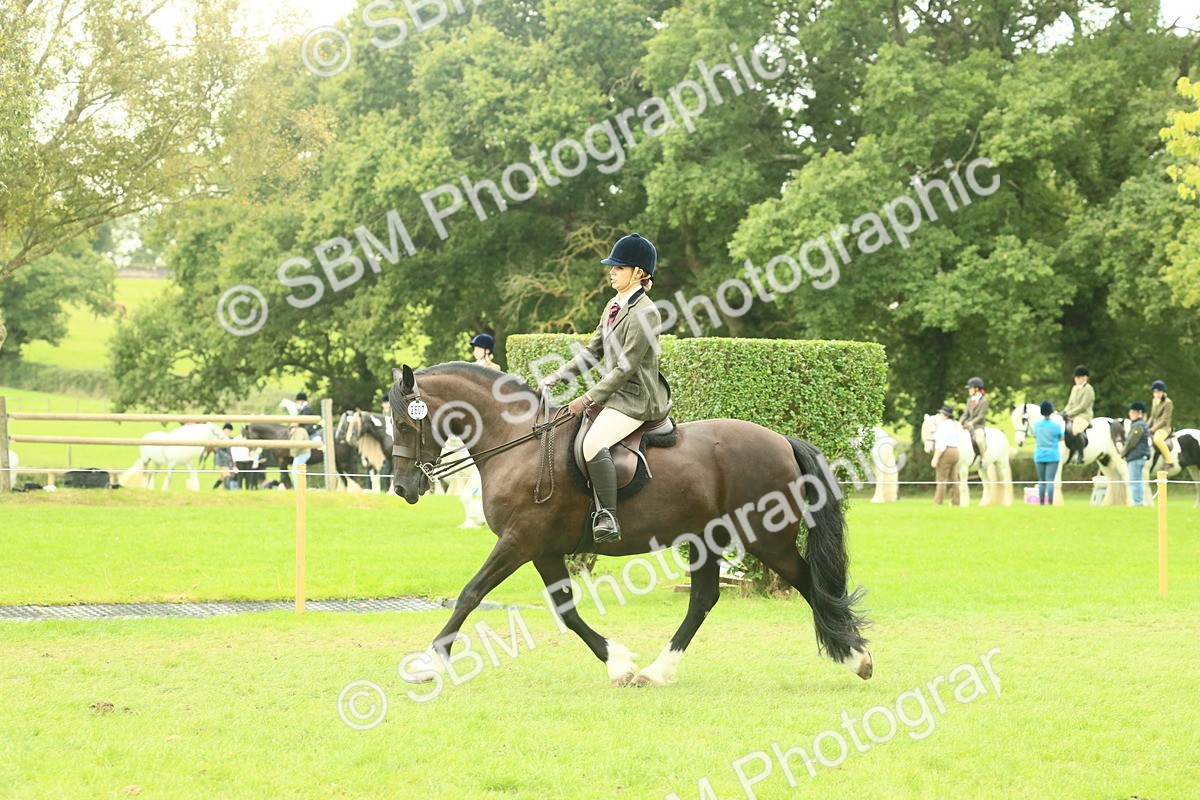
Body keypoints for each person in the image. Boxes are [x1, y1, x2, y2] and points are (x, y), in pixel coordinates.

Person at [538, 233, 671, 543]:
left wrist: (586, 399)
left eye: (619, 267)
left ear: (639, 272)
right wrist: (557, 376)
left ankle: (607, 516)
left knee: (593, 442)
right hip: (615, 395)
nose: (611, 271)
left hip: (637, 399)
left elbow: (625, 368)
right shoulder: (614, 304)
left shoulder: (646, 313)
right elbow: (592, 352)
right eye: (612, 267)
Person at [1061, 365, 1094, 465]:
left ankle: (1080, 455)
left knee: (1075, 429)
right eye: (1076, 377)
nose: (1076, 379)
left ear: (1085, 378)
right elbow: (1070, 404)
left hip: (1084, 415)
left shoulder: (1088, 389)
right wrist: (1063, 412)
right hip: (1073, 415)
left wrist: (1068, 413)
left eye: (1078, 377)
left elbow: (1082, 406)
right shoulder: (1074, 388)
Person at [1033, 401, 1063, 505]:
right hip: (1053, 456)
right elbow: (1061, 437)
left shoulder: (1036, 425)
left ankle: (1041, 502)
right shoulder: (1056, 426)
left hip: (1039, 455)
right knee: (1050, 480)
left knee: (1042, 480)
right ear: (1051, 411)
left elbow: (1036, 436)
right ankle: (1050, 502)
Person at [1123, 401, 1151, 507]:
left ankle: (1138, 502)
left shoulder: (1138, 425)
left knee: (1135, 481)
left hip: (1136, 456)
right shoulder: (1138, 424)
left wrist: (1123, 453)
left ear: (1139, 413)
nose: (1130, 414)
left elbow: (1131, 442)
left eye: (1132, 412)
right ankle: (1138, 502)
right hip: (1138, 456)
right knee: (1137, 480)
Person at [291, 391, 322, 484]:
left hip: (308, 431)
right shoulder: (303, 409)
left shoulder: (306, 409)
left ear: (300, 401)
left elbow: (303, 423)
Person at [932, 405, 961, 506]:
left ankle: (938, 502)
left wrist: (935, 458)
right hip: (955, 450)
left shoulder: (944, 426)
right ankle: (955, 501)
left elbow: (941, 444)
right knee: (954, 479)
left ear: (945, 415)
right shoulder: (953, 425)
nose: (939, 415)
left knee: (941, 478)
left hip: (947, 452)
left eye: (941, 414)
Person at [1148, 379, 1176, 469]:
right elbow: (1152, 416)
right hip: (1155, 427)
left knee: (1157, 439)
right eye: (1155, 392)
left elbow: (1164, 419)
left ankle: (1169, 461)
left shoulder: (1168, 403)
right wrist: (1145, 426)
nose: (1157, 394)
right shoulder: (1154, 401)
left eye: (1159, 392)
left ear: (1163, 392)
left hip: (1164, 428)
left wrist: (1153, 428)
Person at [959, 377, 988, 459]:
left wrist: (972, 423)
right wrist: (959, 423)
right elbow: (965, 414)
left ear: (976, 389)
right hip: (967, 424)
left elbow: (981, 415)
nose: (969, 390)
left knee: (979, 440)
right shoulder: (969, 400)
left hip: (978, 426)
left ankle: (983, 457)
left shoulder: (984, 401)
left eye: (970, 388)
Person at [212, 423, 236, 490]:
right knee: (226, 474)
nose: (226, 433)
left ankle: (213, 489)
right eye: (225, 431)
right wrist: (226, 456)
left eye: (228, 431)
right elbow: (218, 450)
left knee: (222, 476)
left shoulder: (232, 439)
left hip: (230, 460)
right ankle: (227, 490)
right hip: (222, 459)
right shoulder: (220, 440)